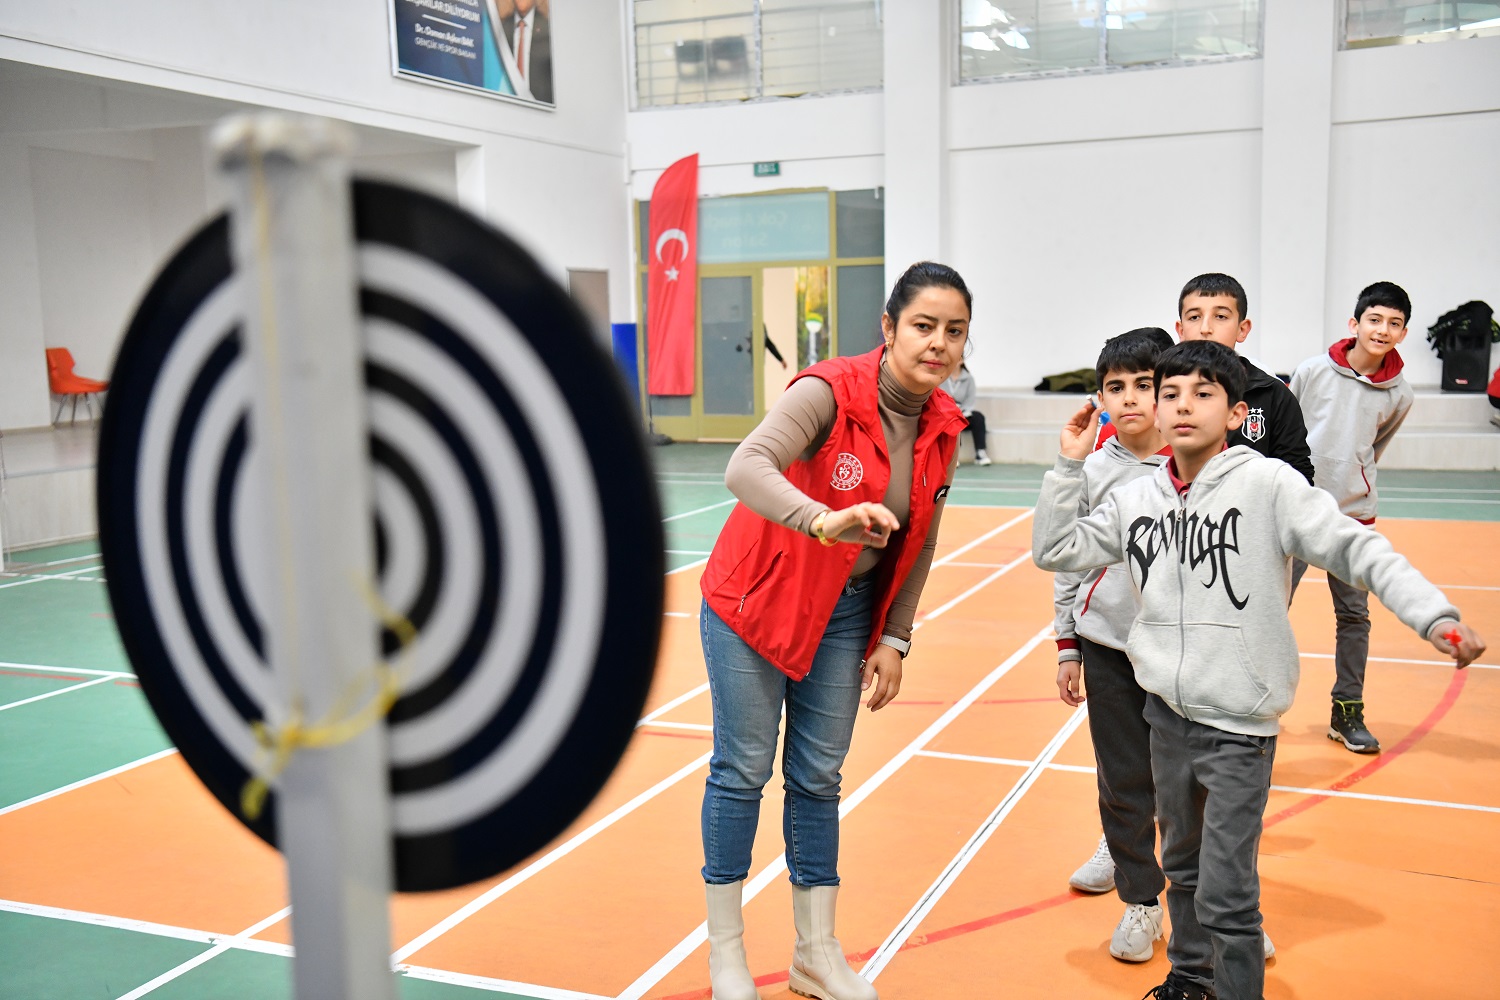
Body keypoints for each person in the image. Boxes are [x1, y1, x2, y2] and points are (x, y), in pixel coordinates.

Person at [1033, 339, 1485, 1000]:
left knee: (1226, 891)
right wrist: (1067, 466)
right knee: (1182, 869)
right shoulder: (1137, 499)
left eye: (1203, 393)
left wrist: (1433, 615)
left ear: (1237, 413)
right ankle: (1190, 980)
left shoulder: (1270, 486)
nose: (1182, 406)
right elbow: (1055, 549)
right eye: (1170, 393)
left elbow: (1358, 549)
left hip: (1239, 726)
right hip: (1166, 717)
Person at [698, 261, 972, 1000]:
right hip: (756, 599)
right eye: (923, 326)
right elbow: (745, 466)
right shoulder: (827, 392)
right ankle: (727, 955)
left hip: (845, 615)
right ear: (888, 328)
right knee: (742, 770)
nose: (938, 343)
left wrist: (896, 636)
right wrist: (821, 519)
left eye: (954, 331)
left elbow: (922, 538)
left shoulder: (944, 424)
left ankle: (815, 953)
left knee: (818, 776)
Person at [1052, 331, 1172, 962]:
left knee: (1193, 785)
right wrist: (1067, 643)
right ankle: (1142, 901)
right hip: (1107, 644)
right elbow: (1067, 561)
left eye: (1143, 386)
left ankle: (1223, 909)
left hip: (1180, 650)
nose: (1129, 399)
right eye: (1115, 388)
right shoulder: (1093, 469)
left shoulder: (1198, 463)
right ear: (1100, 397)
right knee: (1122, 778)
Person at [1290, 281, 1415, 754]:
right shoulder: (1311, 371)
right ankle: (1249, 703)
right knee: (1269, 608)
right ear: (1355, 324)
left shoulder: (1400, 394)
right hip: (1299, 512)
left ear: (1403, 333)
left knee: (1354, 616)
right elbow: (1287, 432)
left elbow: (1373, 448)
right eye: (1374, 319)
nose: (1382, 330)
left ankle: (1347, 712)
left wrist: (1352, 478)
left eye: (1394, 323)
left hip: (1352, 519)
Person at [1175, 272, 1314, 485]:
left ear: (1242, 329)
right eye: (1194, 317)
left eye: (1220, 317)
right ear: (1181, 330)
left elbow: (1297, 475)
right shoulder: (1163, 393)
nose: (1205, 329)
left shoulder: (1273, 394)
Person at [940, 361, 991, 464]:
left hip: (963, 412)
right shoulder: (942, 377)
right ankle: (953, 456)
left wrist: (961, 411)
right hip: (947, 412)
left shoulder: (969, 379)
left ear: (962, 361)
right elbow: (939, 397)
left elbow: (970, 400)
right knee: (950, 420)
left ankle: (980, 452)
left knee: (978, 417)